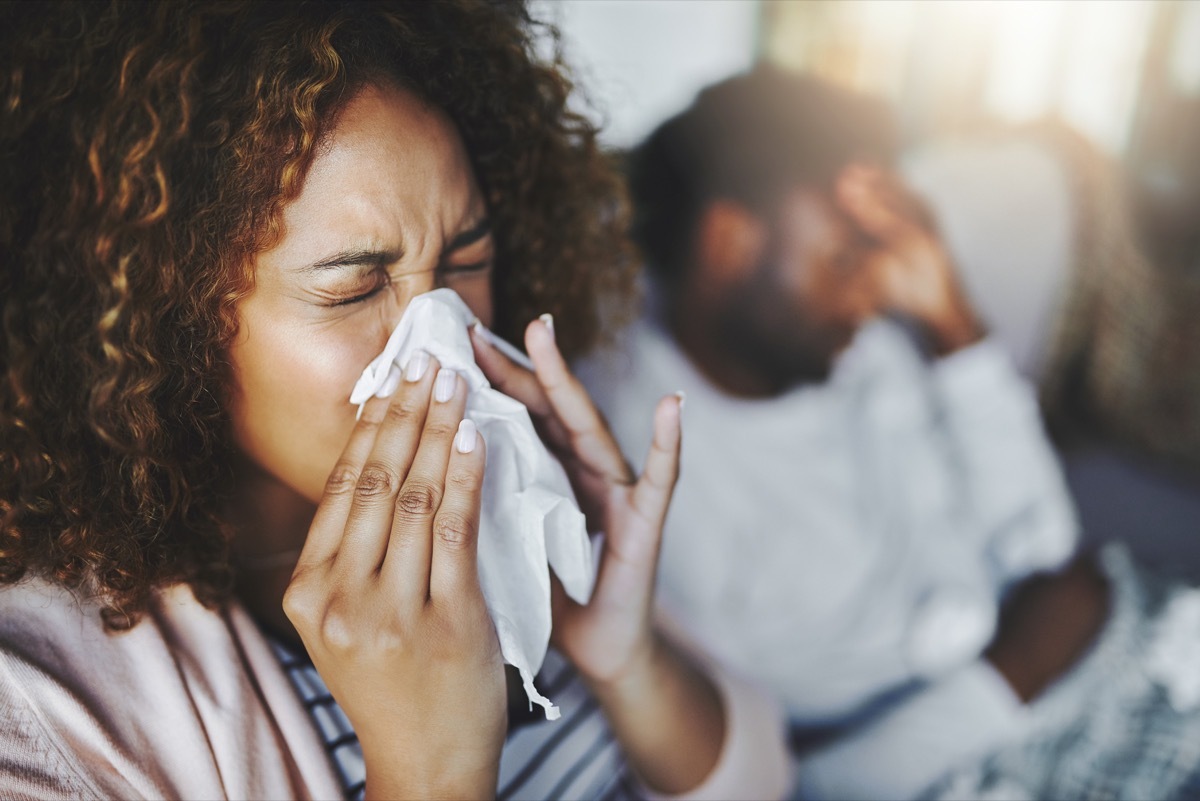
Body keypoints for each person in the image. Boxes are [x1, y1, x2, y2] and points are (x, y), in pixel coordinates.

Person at [0, 3, 790, 799]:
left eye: (467, 255)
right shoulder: (46, 710)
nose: (444, 341)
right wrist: (431, 772)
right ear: (165, 319)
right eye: (354, 287)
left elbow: (766, 784)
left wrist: (625, 652)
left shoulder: (520, 524)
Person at [576, 65, 1192, 798]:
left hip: (1122, 641)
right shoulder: (640, 476)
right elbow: (787, 778)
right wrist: (1011, 674)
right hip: (983, 754)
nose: (872, 290)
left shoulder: (855, 353)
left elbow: (1044, 546)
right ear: (729, 243)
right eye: (843, 257)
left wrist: (954, 325)